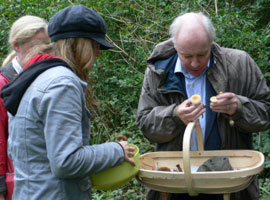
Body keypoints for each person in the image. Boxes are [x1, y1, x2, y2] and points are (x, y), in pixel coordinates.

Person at [0, 5, 136, 200]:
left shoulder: (36, 76)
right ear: (79, 44)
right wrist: (116, 150)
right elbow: (67, 161)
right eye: (95, 46)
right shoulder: (62, 83)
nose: (98, 54)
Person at [136, 12, 270, 200]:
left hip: (229, 182)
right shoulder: (158, 72)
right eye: (187, 56)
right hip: (175, 184)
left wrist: (239, 108)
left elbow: (266, 114)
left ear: (212, 45)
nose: (195, 63)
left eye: (202, 54)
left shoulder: (240, 64)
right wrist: (174, 116)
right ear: (175, 46)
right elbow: (145, 124)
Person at [0, 15, 49, 200]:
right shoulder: (3, 83)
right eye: (34, 46)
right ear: (16, 46)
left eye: (45, 45)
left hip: (38, 178)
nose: (40, 52)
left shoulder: (44, 76)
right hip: (13, 179)